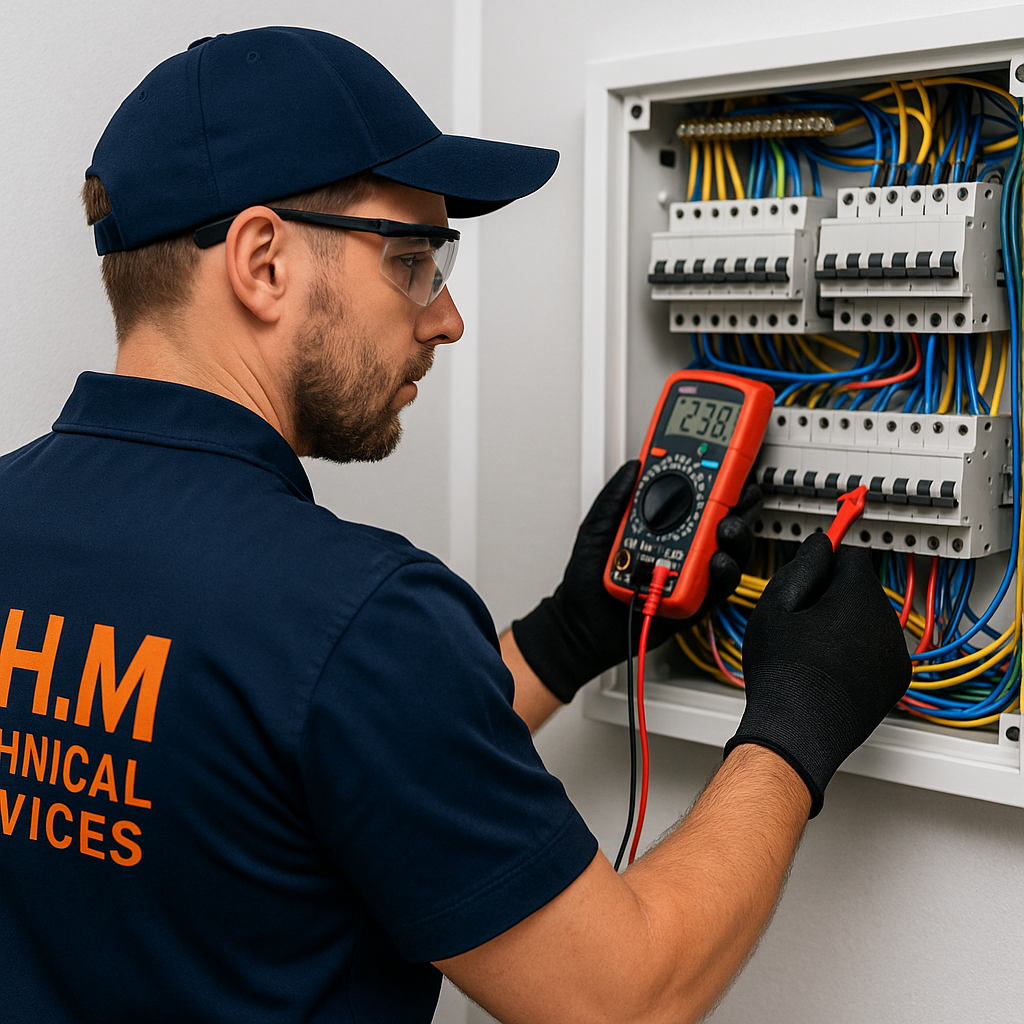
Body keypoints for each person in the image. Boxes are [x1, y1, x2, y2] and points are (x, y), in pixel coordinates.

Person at [0, 26, 910, 1024]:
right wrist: (793, 728)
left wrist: (565, 638)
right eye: (412, 259)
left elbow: (314, 765)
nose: (445, 318)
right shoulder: (355, 614)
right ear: (262, 260)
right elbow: (625, 994)